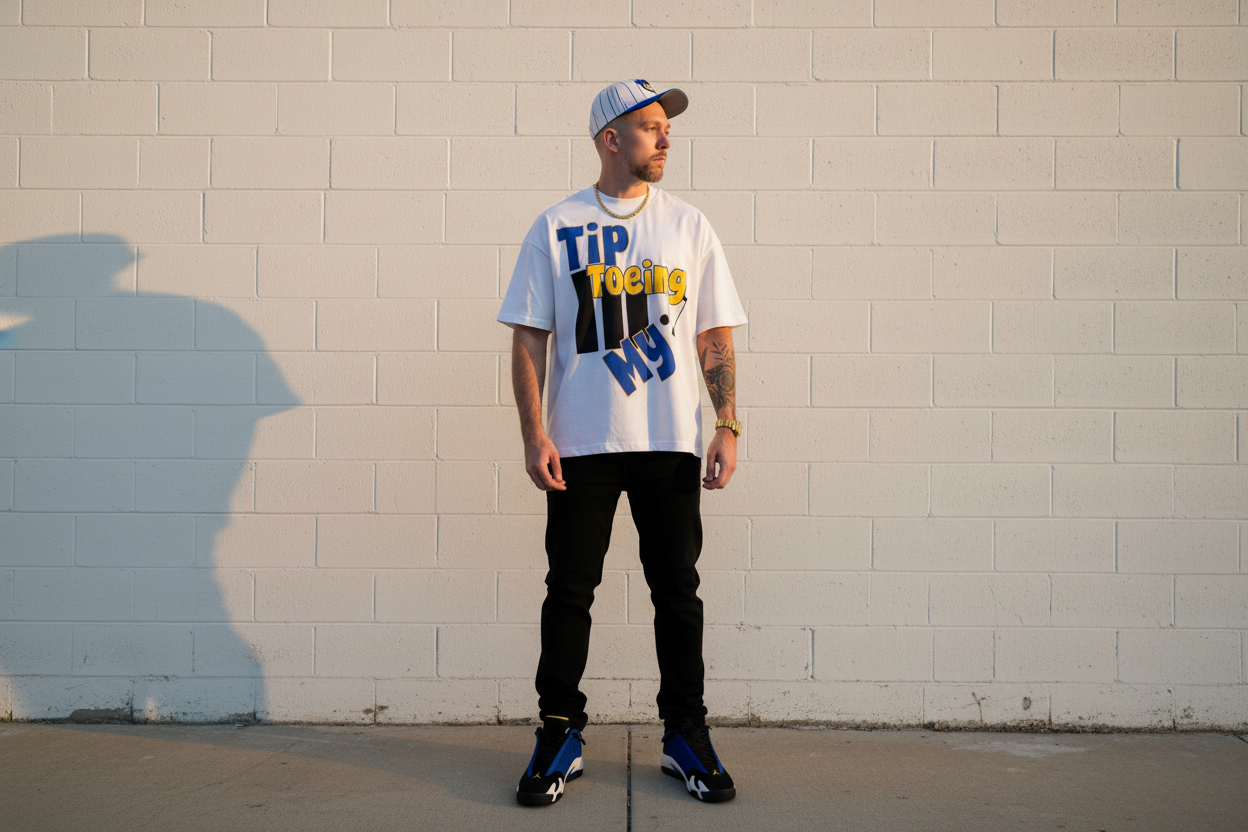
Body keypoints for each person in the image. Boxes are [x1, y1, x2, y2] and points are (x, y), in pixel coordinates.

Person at [498, 79, 747, 807]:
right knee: (569, 591)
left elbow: (713, 333)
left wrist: (727, 422)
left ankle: (684, 734)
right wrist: (533, 433)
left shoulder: (689, 226)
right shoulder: (556, 224)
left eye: (667, 126)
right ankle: (559, 731)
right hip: (580, 442)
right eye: (649, 126)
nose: (665, 137)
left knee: (678, 591)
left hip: (669, 441)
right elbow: (528, 336)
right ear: (611, 138)